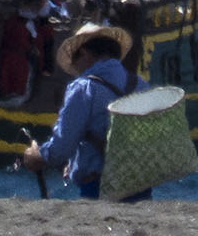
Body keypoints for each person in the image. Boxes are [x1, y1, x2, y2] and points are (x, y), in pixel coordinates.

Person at [20, 22, 145, 200]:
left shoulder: (84, 88)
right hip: (141, 186)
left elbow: (60, 149)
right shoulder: (141, 85)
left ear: (85, 55)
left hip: (99, 186)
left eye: (75, 62)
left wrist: (36, 155)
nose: (76, 70)